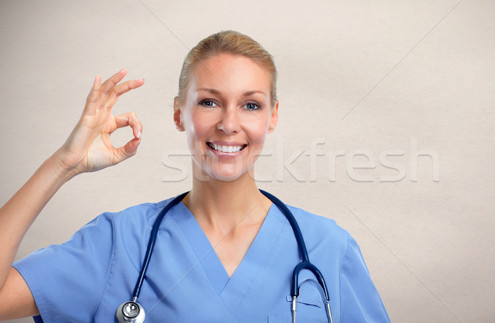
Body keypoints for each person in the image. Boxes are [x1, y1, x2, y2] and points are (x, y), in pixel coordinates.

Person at [0, 30, 390, 322]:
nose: (229, 123)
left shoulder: (328, 248)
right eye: (209, 102)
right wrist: (63, 164)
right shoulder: (119, 244)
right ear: (178, 114)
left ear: (272, 117)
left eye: (250, 105)